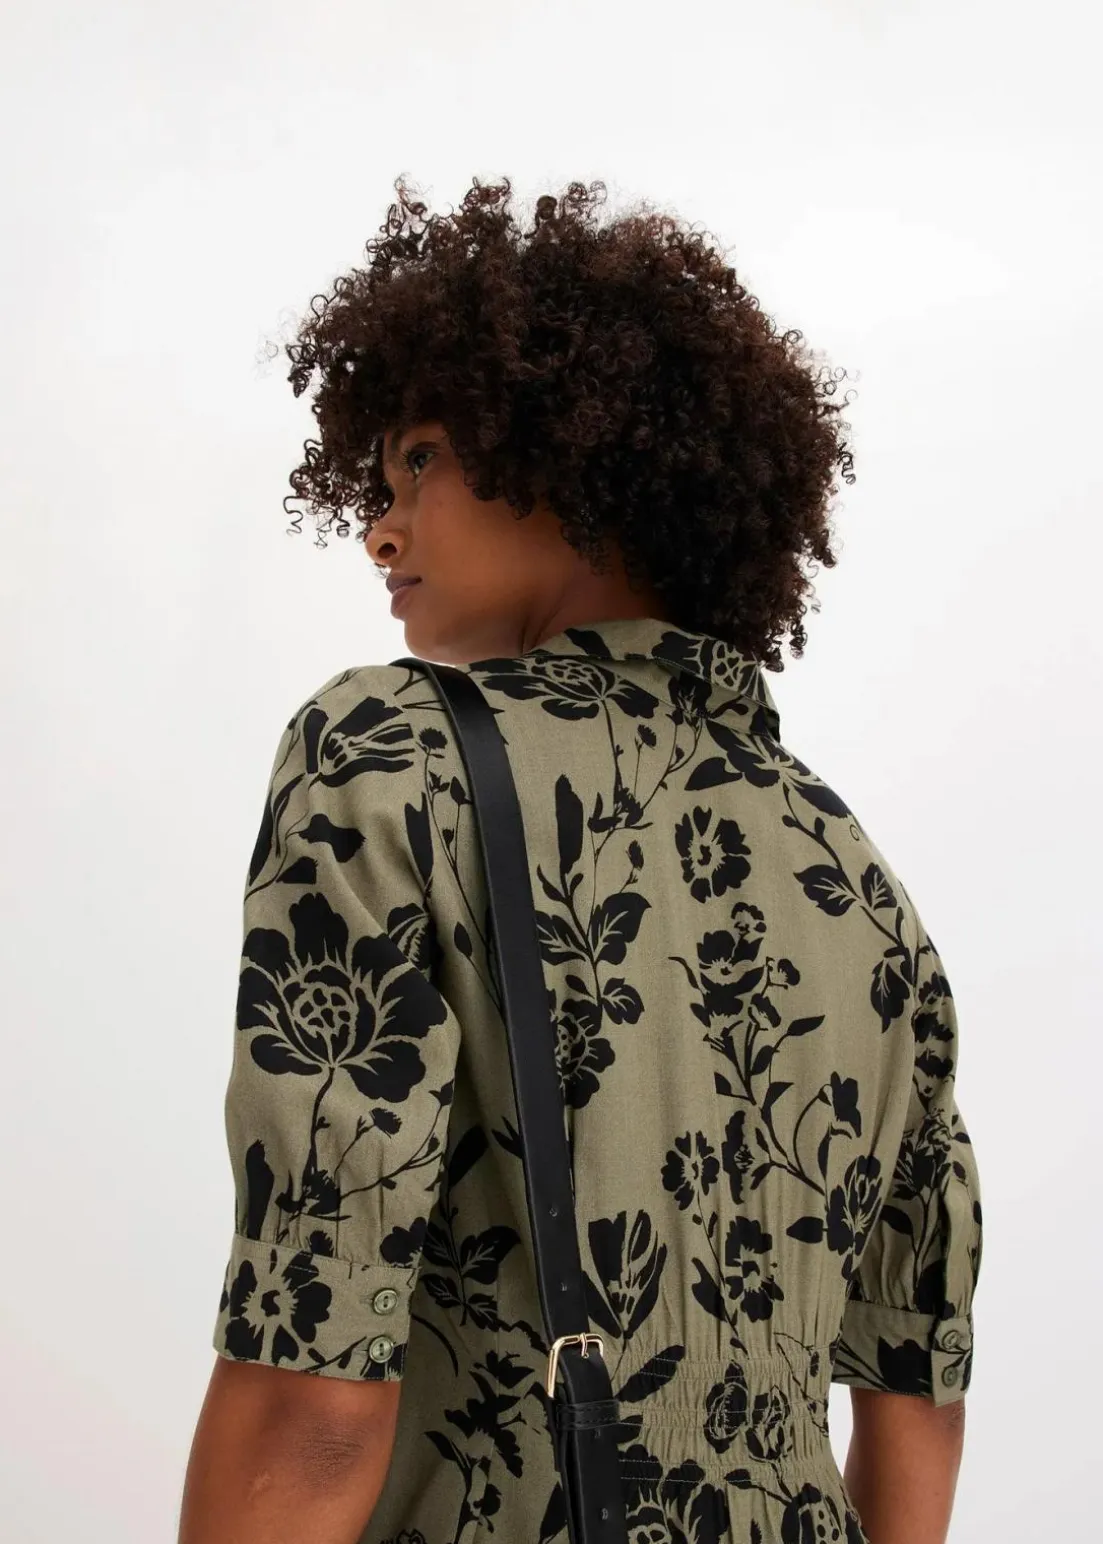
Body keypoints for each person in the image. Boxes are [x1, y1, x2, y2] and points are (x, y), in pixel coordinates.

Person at [178, 175, 981, 1544]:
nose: (380, 526)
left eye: (420, 460)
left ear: (560, 450)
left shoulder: (390, 754)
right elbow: (914, 1402)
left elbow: (315, 1389)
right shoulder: (855, 875)